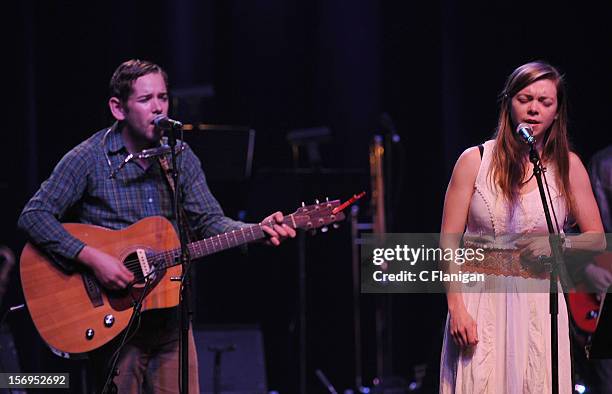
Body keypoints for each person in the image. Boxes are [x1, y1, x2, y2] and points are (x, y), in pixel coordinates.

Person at [17, 59, 296, 393]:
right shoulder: (88, 158)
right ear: (118, 108)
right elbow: (34, 215)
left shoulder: (179, 156)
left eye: (162, 97)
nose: (158, 108)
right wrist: (93, 258)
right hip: (115, 325)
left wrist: (255, 229)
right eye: (146, 99)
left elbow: (209, 222)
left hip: (170, 321)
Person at [439, 61, 605, 393]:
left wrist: (556, 247)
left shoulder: (567, 166)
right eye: (525, 98)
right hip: (481, 302)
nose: (534, 109)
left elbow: (597, 239)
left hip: (539, 306)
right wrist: (456, 308)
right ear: (508, 103)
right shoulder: (474, 160)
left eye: (545, 102)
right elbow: (447, 241)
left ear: (557, 111)